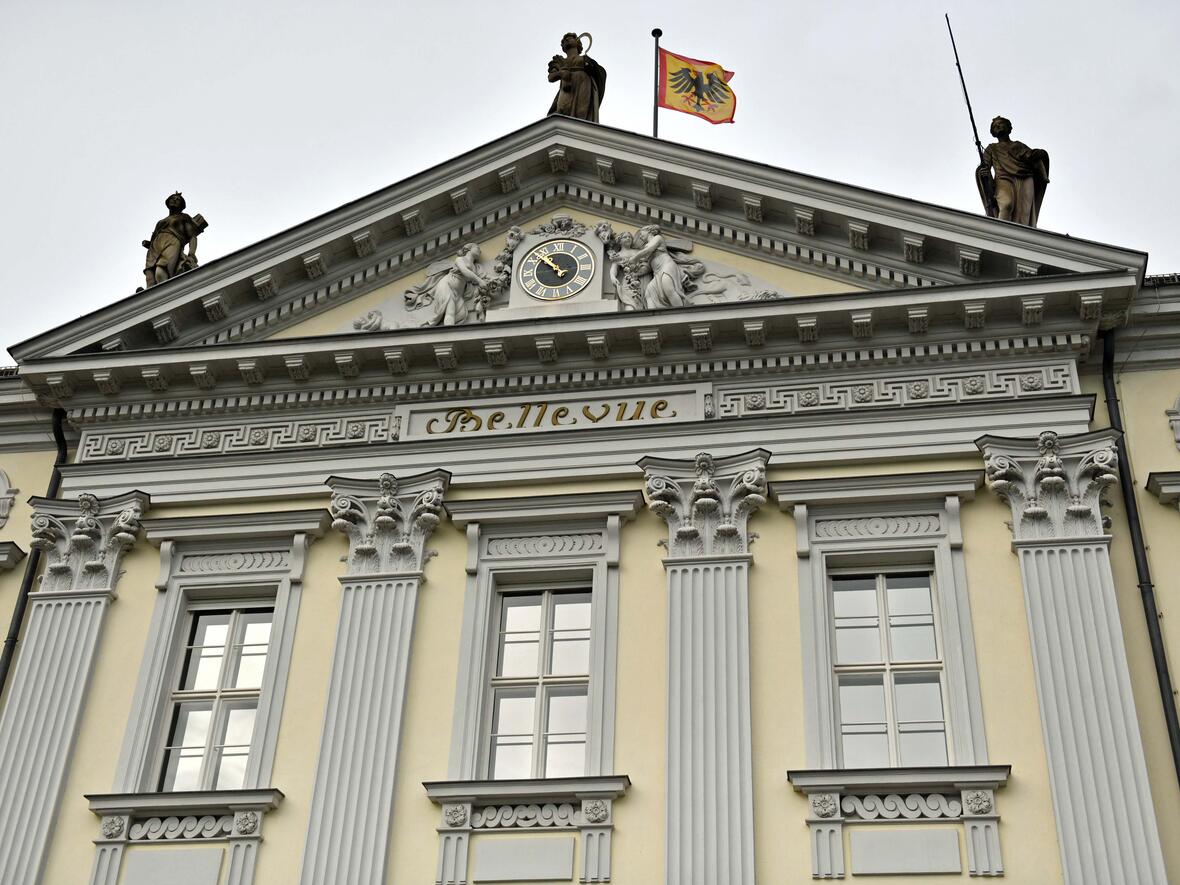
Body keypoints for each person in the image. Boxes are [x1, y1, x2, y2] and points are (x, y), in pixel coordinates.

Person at [976, 117, 1050, 227]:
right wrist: (984, 172)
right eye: (995, 126)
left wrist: (1040, 154)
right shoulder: (991, 148)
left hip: (1025, 178)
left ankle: (1021, 234)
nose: (998, 126)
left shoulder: (1018, 145)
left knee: (1024, 213)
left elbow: (1030, 156)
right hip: (1003, 178)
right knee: (1006, 205)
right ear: (993, 132)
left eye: (1001, 123)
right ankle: (1000, 232)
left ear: (1009, 128)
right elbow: (984, 165)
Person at [403, 244, 491, 326]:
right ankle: (447, 332)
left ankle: (437, 328)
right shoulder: (460, 259)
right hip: (447, 285)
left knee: (461, 314)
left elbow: (480, 277)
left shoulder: (475, 267)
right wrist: (479, 280)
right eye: (477, 248)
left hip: (458, 293)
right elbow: (464, 271)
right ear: (469, 249)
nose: (480, 251)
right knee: (450, 310)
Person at [142, 192, 207, 288]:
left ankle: (166, 291)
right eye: (172, 198)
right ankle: (148, 292)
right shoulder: (160, 222)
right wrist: (147, 243)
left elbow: (192, 236)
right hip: (155, 247)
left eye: (178, 200)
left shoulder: (183, 217)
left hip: (172, 242)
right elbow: (153, 238)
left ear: (181, 205)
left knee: (161, 270)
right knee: (150, 274)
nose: (174, 200)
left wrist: (191, 253)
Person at [547, 33, 606, 122]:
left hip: (583, 84)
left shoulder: (586, 59)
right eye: (564, 40)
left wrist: (589, 66)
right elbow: (551, 77)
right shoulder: (559, 61)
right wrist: (561, 73)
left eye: (570, 38)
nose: (567, 40)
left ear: (578, 43)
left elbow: (599, 72)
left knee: (582, 112)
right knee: (563, 109)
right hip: (566, 87)